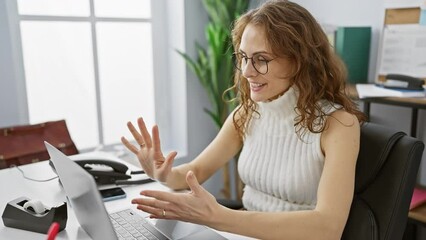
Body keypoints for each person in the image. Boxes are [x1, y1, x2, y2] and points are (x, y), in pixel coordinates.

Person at [121, 0, 366, 239]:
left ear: (299, 61)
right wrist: (162, 173)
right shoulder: (247, 113)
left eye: (261, 59)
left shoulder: (339, 125)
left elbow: (327, 228)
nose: (247, 72)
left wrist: (219, 217)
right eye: (244, 57)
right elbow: (196, 170)